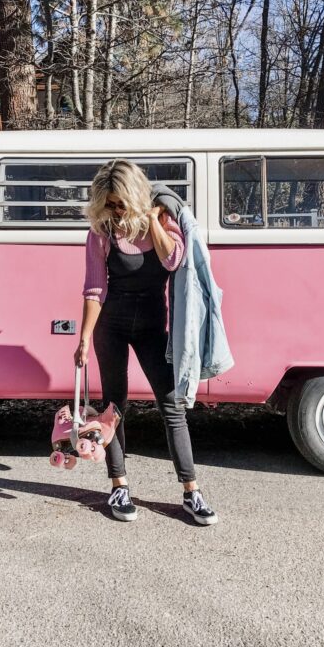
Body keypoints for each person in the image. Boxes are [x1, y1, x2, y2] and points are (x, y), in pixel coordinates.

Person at [73, 159, 218, 526]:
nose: (115, 211)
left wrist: (151, 219)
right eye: (108, 204)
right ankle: (118, 485)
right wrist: (85, 338)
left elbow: (172, 260)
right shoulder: (101, 231)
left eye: (120, 203)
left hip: (153, 326)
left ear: (136, 197)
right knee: (113, 407)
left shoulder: (165, 221)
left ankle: (191, 491)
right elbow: (95, 289)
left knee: (172, 406)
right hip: (112, 325)